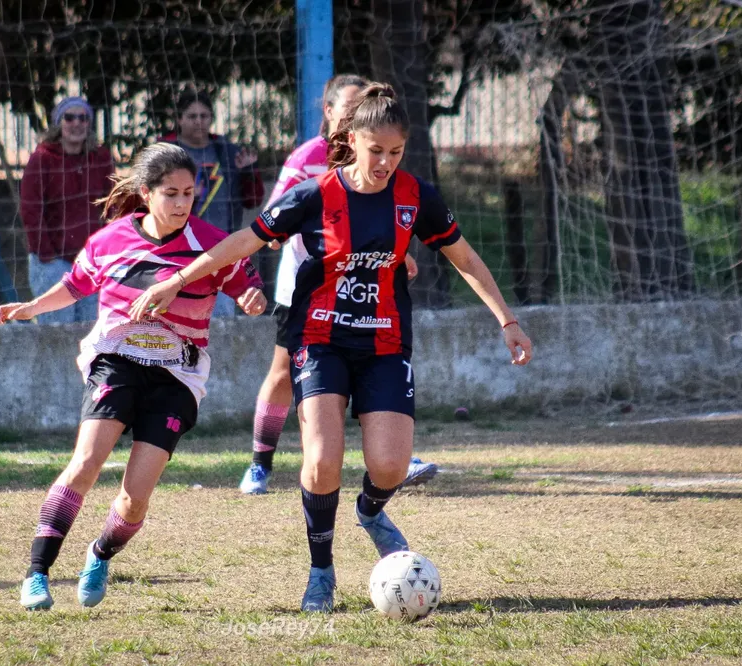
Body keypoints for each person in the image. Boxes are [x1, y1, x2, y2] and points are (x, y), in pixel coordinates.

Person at [129, 83, 533, 613]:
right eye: (375, 151)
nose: (385, 162)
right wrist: (176, 280)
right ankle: (321, 572)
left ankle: (370, 510)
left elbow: (466, 259)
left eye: (395, 152)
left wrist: (507, 319)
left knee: (389, 466)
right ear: (350, 141)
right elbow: (243, 241)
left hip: (385, 342)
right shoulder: (316, 194)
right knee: (321, 463)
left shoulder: (416, 197)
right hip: (319, 340)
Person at [0, 142, 266, 611]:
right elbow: (75, 286)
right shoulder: (110, 241)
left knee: (135, 498)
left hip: (177, 376)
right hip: (116, 361)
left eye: (188, 193)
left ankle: (100, 553)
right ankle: (37, 573)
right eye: (170, 194)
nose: (182, 204)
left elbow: (246, 284)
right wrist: (32, 308)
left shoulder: (211, 244)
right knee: (85, 462)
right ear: (146, 194)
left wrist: (252, 299)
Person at [238, 73, 438, 495]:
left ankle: (388, 454)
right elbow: (273, 220)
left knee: (372, 364)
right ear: (332, 115)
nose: (355, 115)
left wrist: (396, 253)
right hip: (308, 286)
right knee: (280, 373)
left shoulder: (381, 157)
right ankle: (260, 462)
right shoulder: (308, 157)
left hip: (366, 289)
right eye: (348, 108)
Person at [160, 89, 265, 317]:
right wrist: (190, 197)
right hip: (179, 250)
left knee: (220, 319)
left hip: (221, 247)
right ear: (179, 119)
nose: (199, 122)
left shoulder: (226, 151)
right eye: (192, 116)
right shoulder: (167, 153)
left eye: (204, 116)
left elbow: (253, 200)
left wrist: (248, 172)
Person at [20, 96, 116, 323]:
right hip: (53, 262)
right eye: (69, 117)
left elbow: (111, 205)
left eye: (82, 118)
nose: (76, 123)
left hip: (92, 262)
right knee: (56, 333)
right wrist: (47, 255)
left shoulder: (101, 158)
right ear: (58, 123)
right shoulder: (42, 159)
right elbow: (31, 212)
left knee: (92, 331)